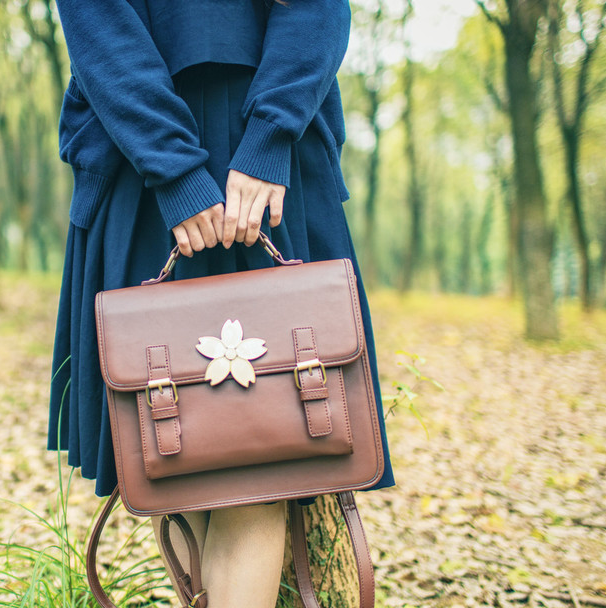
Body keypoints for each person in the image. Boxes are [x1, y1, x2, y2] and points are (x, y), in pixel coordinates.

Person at [47, 0, 395, 605]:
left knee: (263, 451)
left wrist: (269, 137)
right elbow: (96, 17)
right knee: (168, 448)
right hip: (138, 150)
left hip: (266, 156)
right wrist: (174, 168)